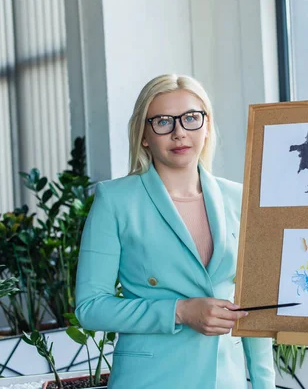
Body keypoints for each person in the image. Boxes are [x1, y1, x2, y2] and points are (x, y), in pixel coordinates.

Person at [75, 74, 276, 388]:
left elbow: (254, 305)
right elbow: (90, 307)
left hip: (225, 379)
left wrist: (264, 384)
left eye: (191, 118)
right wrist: (180, 311)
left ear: (206, 127)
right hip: (150, 379)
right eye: (163, 122)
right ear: (144, 135)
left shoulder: (240, 198)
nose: (179, 132)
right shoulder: (114, 201)